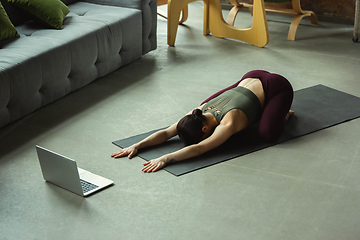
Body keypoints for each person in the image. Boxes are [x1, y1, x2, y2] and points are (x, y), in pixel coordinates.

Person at [111, 70, 294, 173]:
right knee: (210, 101)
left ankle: (281, 113)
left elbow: (199, 149)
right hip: (249, 76)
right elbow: (167, 133)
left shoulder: (228, 122)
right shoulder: (195, 113)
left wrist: (165, 158)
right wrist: (137, 145)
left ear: (205, 128)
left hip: (276, 85)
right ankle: (265, 108)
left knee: (267, 133)